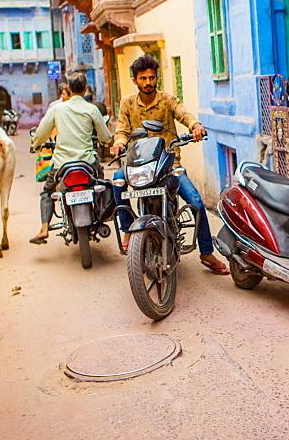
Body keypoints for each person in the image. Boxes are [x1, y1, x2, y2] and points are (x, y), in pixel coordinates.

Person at [110, 54, 229, 275]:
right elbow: (122, 130)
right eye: (143, 78)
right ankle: (128, 228)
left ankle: (206, 252)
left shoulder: (168, 100)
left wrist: (195, 126)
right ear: (135, 80)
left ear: (157, 78)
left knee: (196, 201)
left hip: (168, 164)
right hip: (139, 167)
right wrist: (118, 144)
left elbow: (184, 114)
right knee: (117, 181)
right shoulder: (127, 102)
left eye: (151, 78)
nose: (148, 82)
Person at [29, 72, 111, 245]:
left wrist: (36, 145)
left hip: (61, 165)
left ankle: (44, 229)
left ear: (68, 89)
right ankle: (101, 214)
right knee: (101, 184)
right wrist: (103, 141)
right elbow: (105, 137)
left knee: (47, 192)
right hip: (87, 163)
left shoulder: (57, 109)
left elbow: (41, 133)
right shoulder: (92, 109)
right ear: (86, 88)